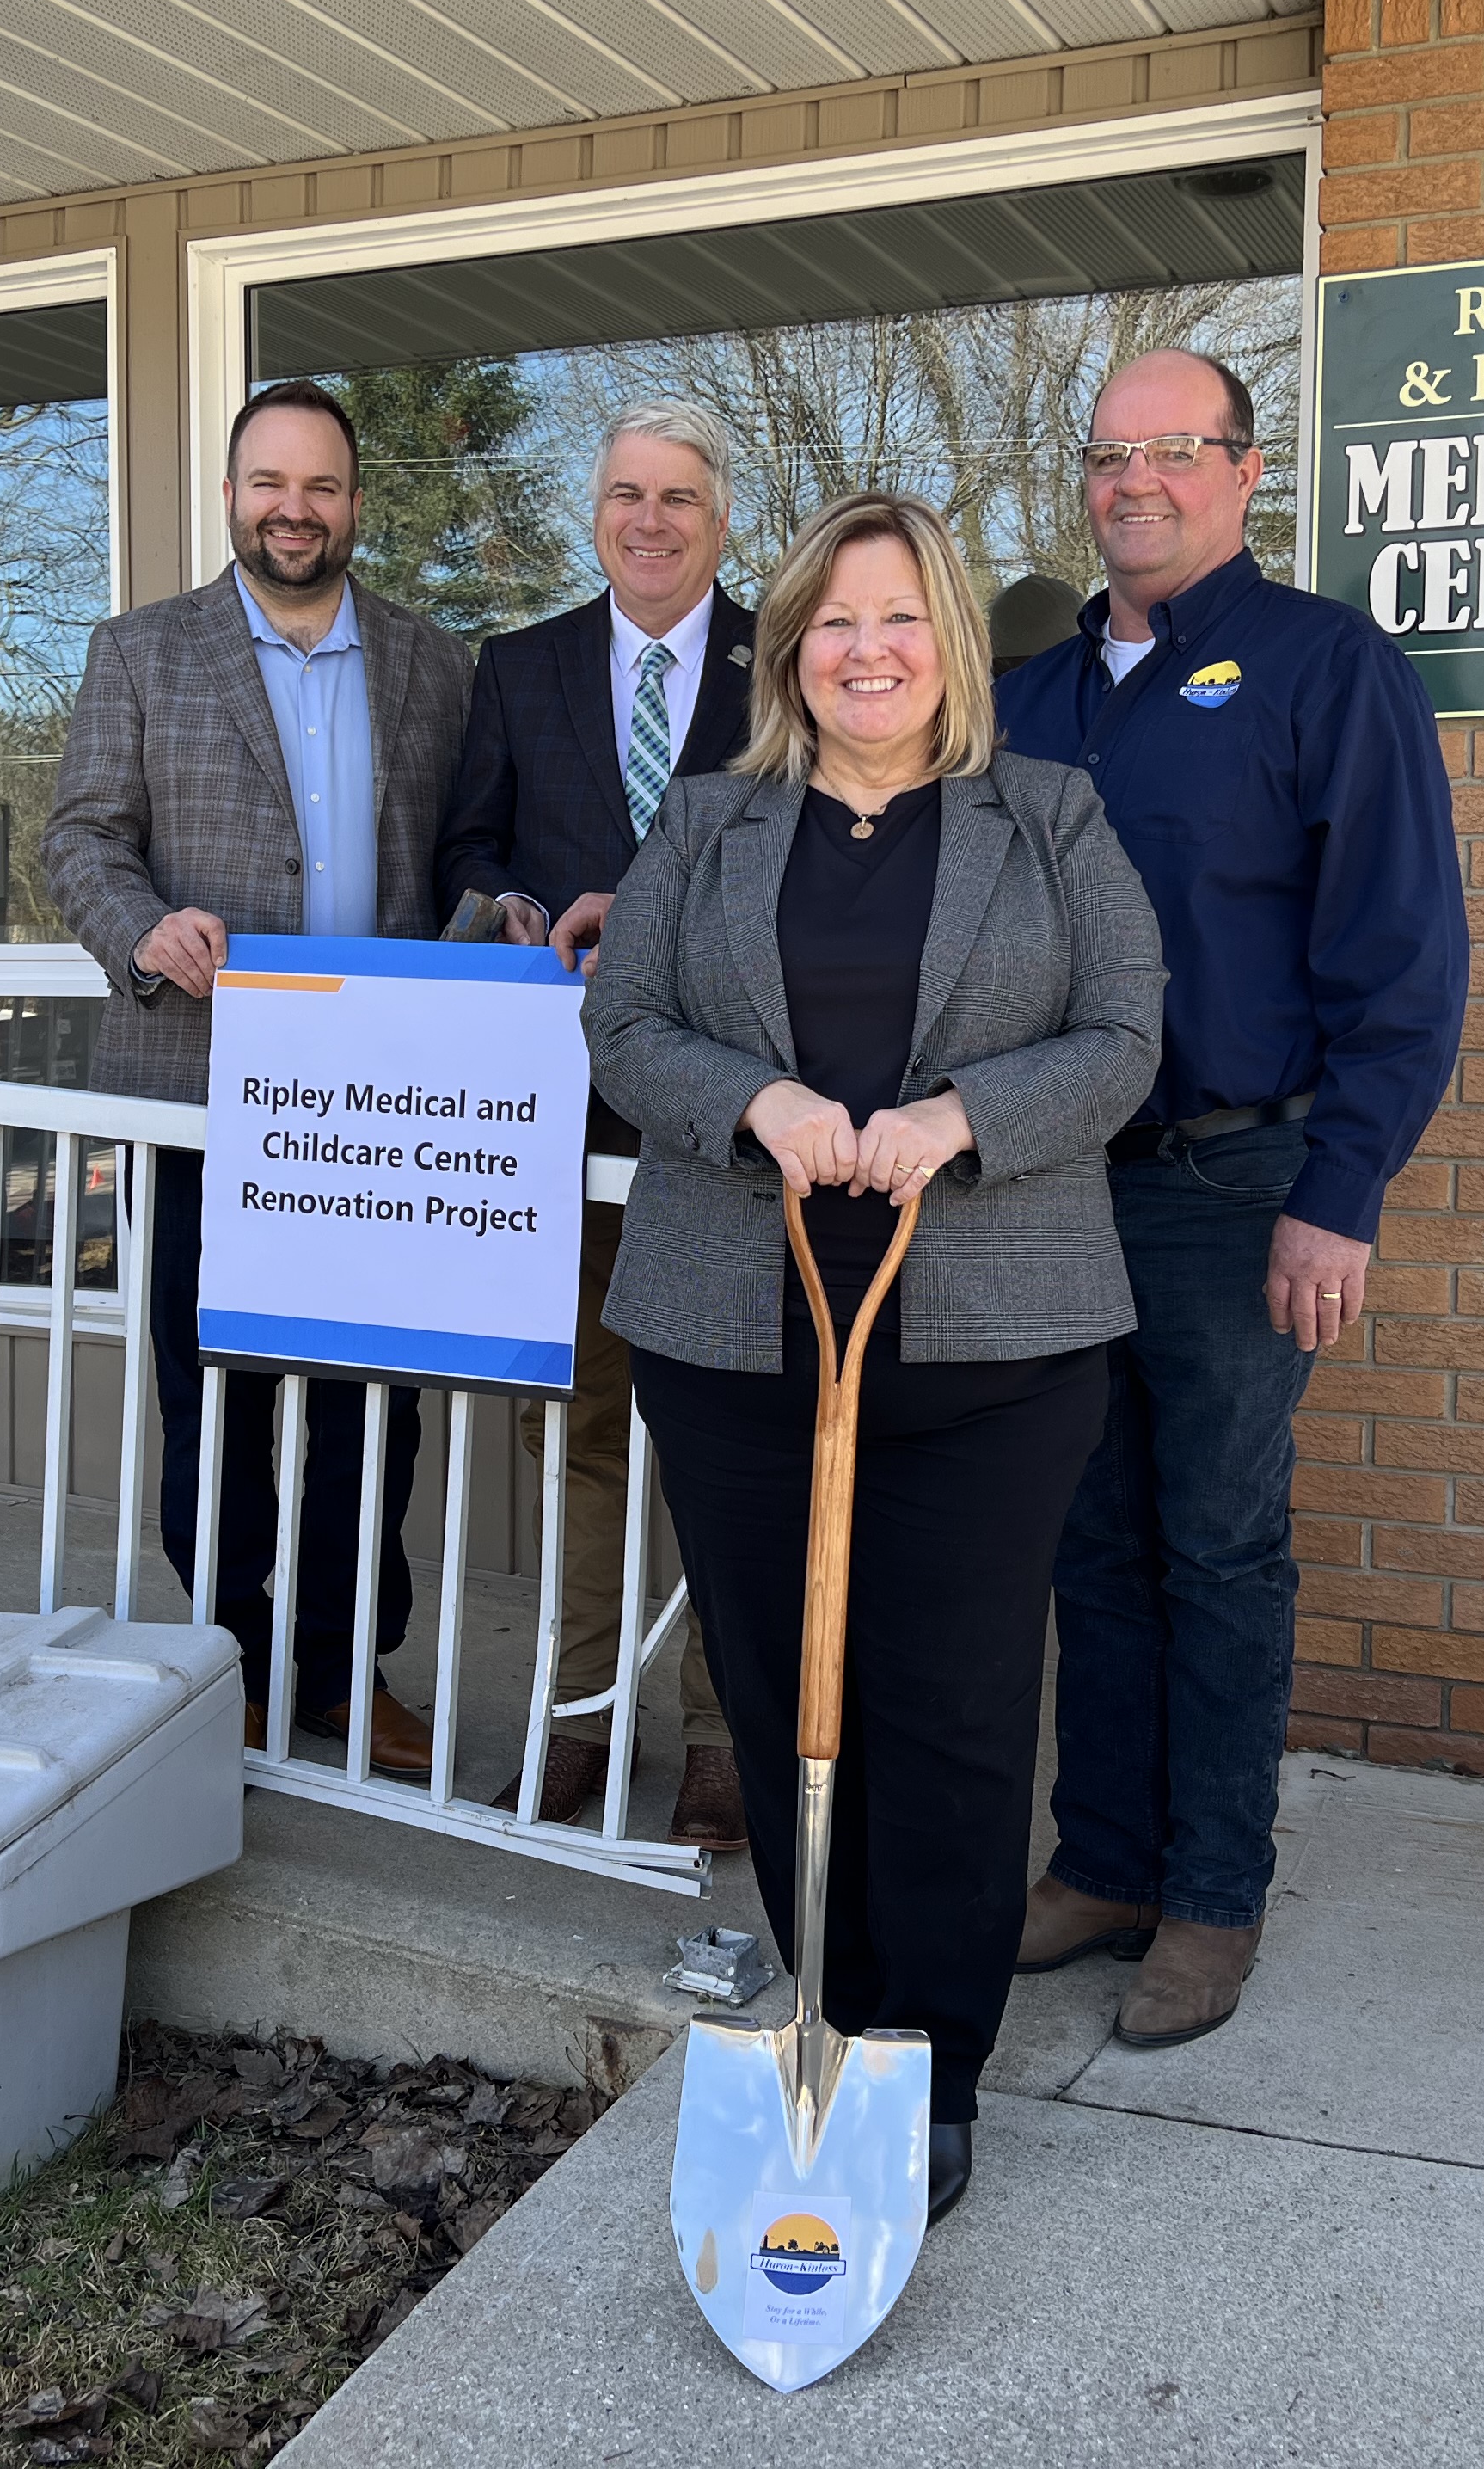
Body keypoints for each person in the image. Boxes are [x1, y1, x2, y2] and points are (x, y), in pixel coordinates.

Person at [586, 490, 1164, 2224]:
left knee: (958, 1710)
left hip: (993, 1348)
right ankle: (826, 2011)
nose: (868, 651)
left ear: (953, 648)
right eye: (834, 623)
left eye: (902, 619)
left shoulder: (1048, 815)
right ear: (788, 653)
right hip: (734, 1335)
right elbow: (624, 1025)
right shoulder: (704, 822)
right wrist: (747, 1100)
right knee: (783, 1701)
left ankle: (934, 2059)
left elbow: (1127, 1034)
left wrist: (961, 1118)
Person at [997, 347, 1467, 2048]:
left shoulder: (1322, 668)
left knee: (1216, 1543)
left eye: (1172, 452)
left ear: (1245, 472)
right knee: (1088, 1537)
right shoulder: (1030, 701)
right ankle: (1105, 1860)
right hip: (1048, 1190)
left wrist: (1339, 1195)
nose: (1135, 481)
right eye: (1111, 455)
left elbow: (1403, 959)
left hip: (1236, 1179)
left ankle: (1211, 1896)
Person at [44, 378, 473, 1773]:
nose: (296, 509)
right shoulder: (140, 652)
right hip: (197, 1088)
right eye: (270, 483)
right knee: (212, 1392)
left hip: (378, 1107)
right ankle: (227, 1657)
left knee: (372, 1402)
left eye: (324, 486)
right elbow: (82, 842)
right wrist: (145, 935)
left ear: (356, 503)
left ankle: (350, 1676)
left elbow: (456, 861)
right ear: (233, 495)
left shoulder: (431, 664)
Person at [435, 397, 758, 1850]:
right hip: (563, 1123)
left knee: (729, 1441)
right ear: (595, 512)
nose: (650, 518)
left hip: (735, 1121)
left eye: (680, 497)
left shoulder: (787, 660)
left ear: (719, 518)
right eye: (627, 492)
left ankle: (718, 1740)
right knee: (590, 1436)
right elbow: (469, 845)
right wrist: (499, 906)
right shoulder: (521, 667)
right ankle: (576, 1728)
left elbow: (830, 858)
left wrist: (664, 922)